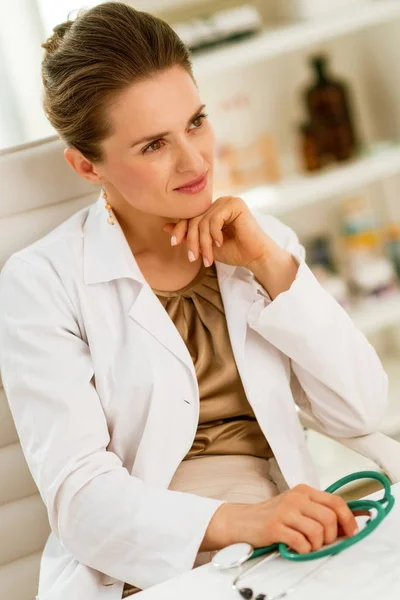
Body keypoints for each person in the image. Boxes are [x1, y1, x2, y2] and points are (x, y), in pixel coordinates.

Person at [0, 3, 388, 600]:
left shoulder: (262, 242)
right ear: (85, 165)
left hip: (286, 543)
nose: (195, 160)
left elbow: (362, 411)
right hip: (149, 565)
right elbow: (79, 499)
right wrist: (242, 519)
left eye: (197, 121)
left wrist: (271, 264)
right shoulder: (40, 283)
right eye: (154, 144)